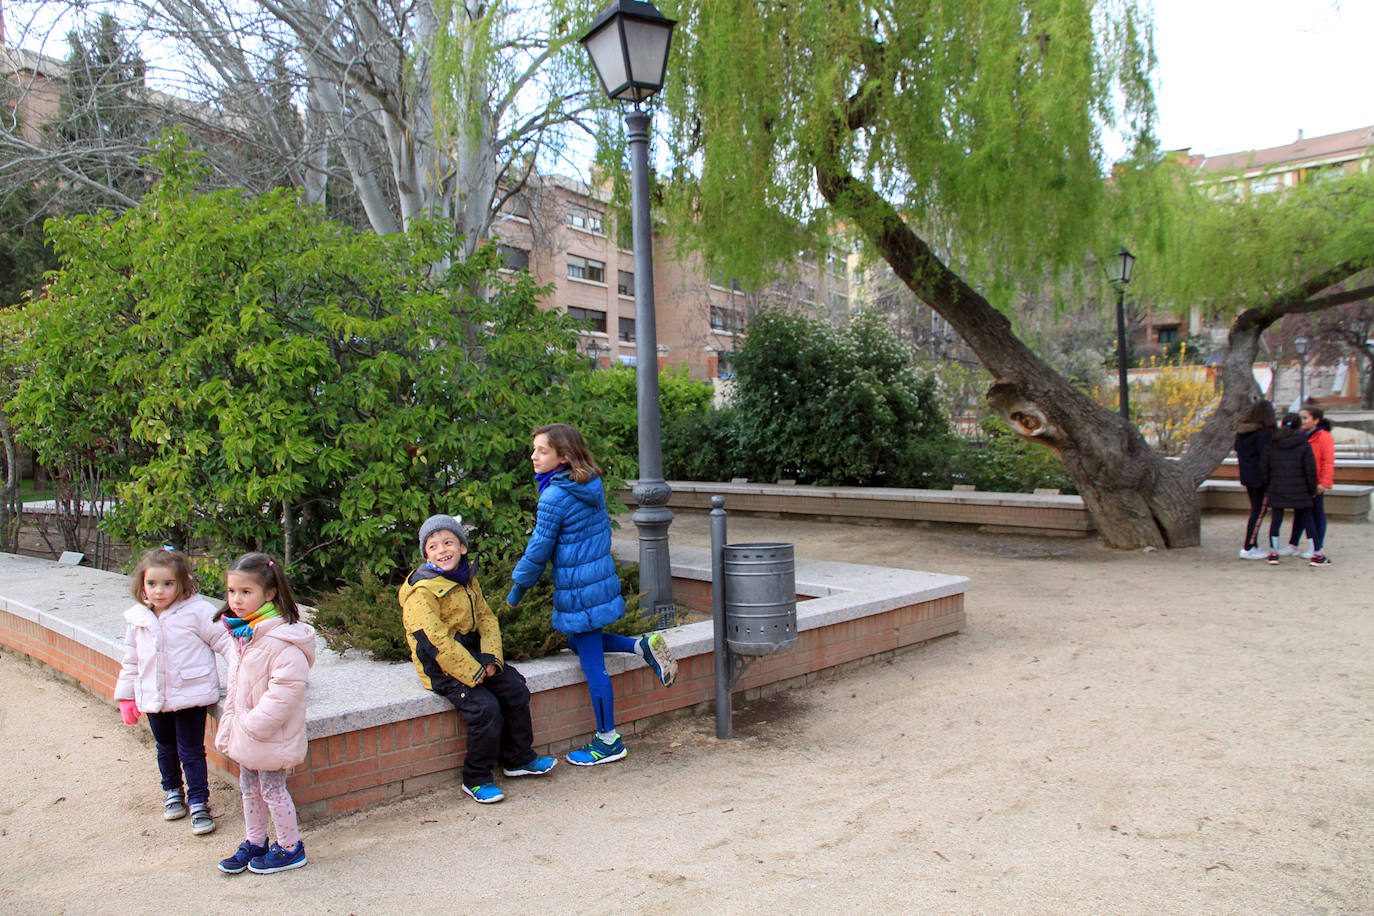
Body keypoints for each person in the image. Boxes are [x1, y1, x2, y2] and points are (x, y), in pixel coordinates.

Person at [507, 423, 678, 767]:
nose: (533, 456)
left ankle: (608, 740)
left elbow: (538, 549)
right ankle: (639, 646)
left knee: (593, 667)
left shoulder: (555, 496)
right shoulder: (588, 483)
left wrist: (517, 590)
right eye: (535, 449)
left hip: (579, 590)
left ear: (563, 456)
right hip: (597, 579)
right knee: (576, 642)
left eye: (542, 450)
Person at [399, 514, 556, 804]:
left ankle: (518, 758)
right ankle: (476, 777)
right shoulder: (421, 592)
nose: (442, 550)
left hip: (473, 655)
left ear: (462, 548)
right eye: (433, 546)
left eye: (449, 542)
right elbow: (436, 641)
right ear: (426, 554)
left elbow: (486, 618)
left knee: (515, 688)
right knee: (484, 708)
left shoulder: (468, 579)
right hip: (441, 665)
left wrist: (491, 659)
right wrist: (473, 671)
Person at [114, 547, 233, 836]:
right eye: (152, 584)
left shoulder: (198, 612)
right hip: (154, 697)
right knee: (165, 748)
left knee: (191, 751)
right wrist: (127, 695)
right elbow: (131, 660)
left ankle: (199, 802)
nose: (159, 591)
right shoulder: (138, 618)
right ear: (142, 583)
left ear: (182, 582)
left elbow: (227, 643)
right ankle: (172, 791)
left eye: (168, 584)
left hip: (191, 695)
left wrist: (242, 677)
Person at [213, 553, 316, 875]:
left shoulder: (281, 640)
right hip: (248, 732)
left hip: (268, 734)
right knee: (248, 787)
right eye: (232, 592)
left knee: (272, 789)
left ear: (269, 593)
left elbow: (286, 691)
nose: (236, 600)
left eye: (246, 592)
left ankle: (290, 847)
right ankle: (255, 841)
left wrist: (253, 724)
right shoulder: (244, 633)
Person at [1260, 413, 1317, 566]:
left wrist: (1268, 486)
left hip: (1277, 487)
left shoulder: (1272, 444)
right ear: (1299, 426)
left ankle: (1273, 552)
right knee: (1307, 519)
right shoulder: (1304, 444)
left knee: (1276, 520)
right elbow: (1310, 470)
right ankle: (1316, 552)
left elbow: (1264, 468)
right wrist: (1312, 489)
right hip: (1301, 489)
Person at [1233, 400, 1276, 559]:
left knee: (1256, 510)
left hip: (1248, 476)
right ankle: (1249, 546)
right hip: (1260, 478)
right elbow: (1266, 457)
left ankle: (1252, 544)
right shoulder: (1264, 434)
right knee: (1259, 512)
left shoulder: (1242, 433)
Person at [1300, 405, 1335, 566]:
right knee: (1307, 515)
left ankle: (1317, 547)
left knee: (1317, 514)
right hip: (1303, 481)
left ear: (1316, 420)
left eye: (1306, 418)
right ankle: (1313, 546)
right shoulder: (1301, 435)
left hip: (1316, 482)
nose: (1303, 421)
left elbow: (1328, 462)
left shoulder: (1324, 437)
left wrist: (1323, 483)